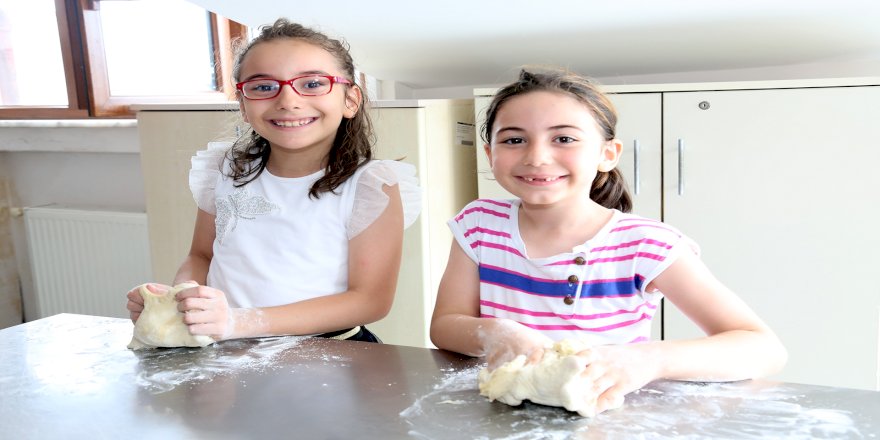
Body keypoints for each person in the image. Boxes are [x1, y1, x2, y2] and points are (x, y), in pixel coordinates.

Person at [430, 67, 787, 413]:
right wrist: (498, 332)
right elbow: (445, 326)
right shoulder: (479, 224)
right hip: (503, 411)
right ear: (490, 154)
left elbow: (763, 348)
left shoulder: (647, 244)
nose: (536, 157)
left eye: (564, 139)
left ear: (607, 154)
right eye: (514, 140)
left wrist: (648, 360)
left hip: (606, 416)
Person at [127, 18, 419, 343]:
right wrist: (183, 299)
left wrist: (240, 322)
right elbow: (201, 256)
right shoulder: (225, 169)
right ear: (242, 104)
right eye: (264, 87)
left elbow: (370, 301)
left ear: (350, 100)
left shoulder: (370, 186)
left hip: (330, 351)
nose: (288, 101)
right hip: (231, 346)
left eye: (312, 83)